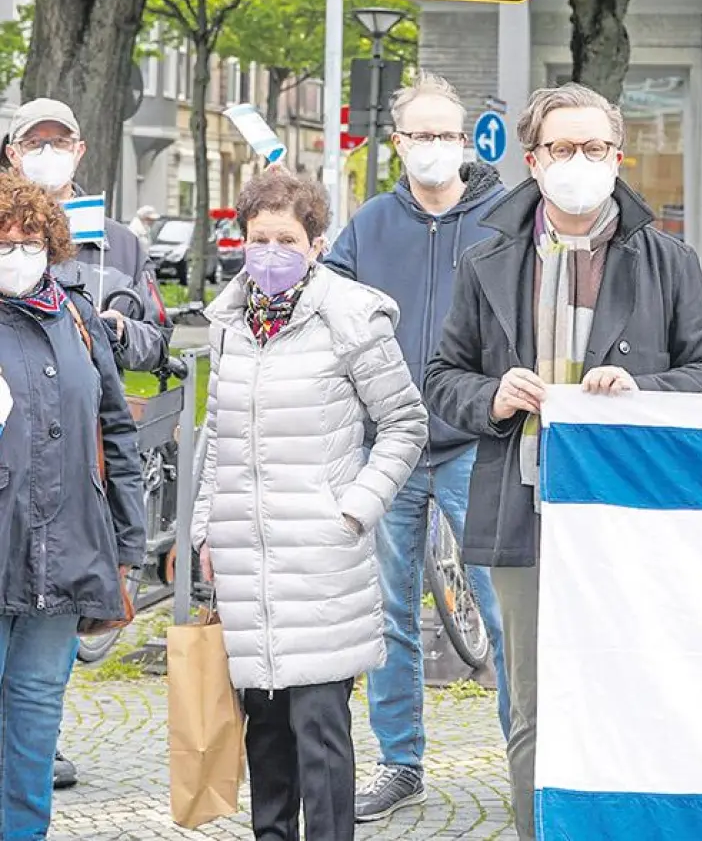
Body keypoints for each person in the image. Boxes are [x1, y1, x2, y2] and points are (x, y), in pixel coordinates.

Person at [423, 82, 702, 840]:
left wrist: (641, 388)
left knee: (634, 681)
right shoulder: (487, 261)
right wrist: (494, 394)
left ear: (617, 157)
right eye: (563, 149)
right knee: (532, 698)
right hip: (523, 506)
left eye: (595, 149)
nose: (580, 162)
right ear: (533, 160)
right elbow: (442, 377)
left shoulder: (667, 260)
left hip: (629, 514)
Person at [191, 171, 428, 841]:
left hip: (321, 557)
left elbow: (406, 423)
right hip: (246, 558)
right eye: (257, 238)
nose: (268, 251)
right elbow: (221, 434)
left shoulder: (351, 316)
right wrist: (207, 527)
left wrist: (354, 509)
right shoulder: (229, 322)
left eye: (285, 239)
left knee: (319, 732)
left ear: (316, 243)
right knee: (263, 733)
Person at [322, 70, 511, 823]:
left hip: (478, 438)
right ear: (397, 143)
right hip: (390, 445)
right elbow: (325, 308)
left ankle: (524, 753)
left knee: (504, 608)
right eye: (419, 135)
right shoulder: (369, 224)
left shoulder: (506, 219)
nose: (433, 147)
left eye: (446, 134)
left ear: (465, 142)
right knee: (389, 612)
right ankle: (400, 762)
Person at [0, 171, 144, 837]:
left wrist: (129, 545)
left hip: (64, 555)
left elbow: (115, 430)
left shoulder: (77, 316)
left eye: (30, 237)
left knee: (35, 720)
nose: (17, 250)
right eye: (3, 239)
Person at [6, 99, 170, 376]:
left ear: (78, 151)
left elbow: (158, 343)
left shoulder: (122, 245)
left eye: (60, 142)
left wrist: (123, 332)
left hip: (92, 414)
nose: (48, 152)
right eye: (34, 143)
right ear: (13, 154)